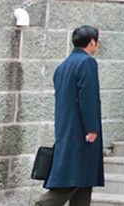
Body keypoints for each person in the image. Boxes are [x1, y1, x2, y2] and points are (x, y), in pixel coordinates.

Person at [35, 26, 103, 206]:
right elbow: (88, 98)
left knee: (83, 182)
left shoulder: (63, 66)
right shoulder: (87, 63)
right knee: (73, 180)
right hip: (81, 133)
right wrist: (92, 128)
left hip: (66, 131)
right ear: (92, 42)